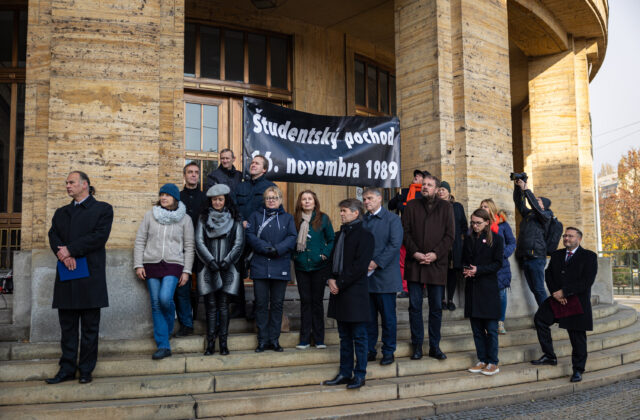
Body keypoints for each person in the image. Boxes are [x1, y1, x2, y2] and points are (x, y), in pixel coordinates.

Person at [46, 171, 113, 385]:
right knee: (67, 328)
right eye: (66, 183)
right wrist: (63, 255)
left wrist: (71, 250)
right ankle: (66, 369)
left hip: (90, 278)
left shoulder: (102, 209)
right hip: (67, 275)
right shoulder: (61, 212)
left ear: (85, 184)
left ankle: (85, 370)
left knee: (90, 329)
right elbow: (53, 235)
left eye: (71, 182)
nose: (67, 186)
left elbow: (99, 237)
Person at [134, 183, 195, 360]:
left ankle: (168, 324)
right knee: (155, 303)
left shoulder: (185, 219)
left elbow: (189, 247)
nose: (163, 198)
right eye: (161, 195)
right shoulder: (150, 216)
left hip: (174, 264)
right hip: (151, 263)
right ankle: (163, 344)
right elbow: (140, 241)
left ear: (175, 198)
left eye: (167, 195)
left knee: (164, 299)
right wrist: (139, 264)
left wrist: (187, 271)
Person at [531, 227, 598, 383]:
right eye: (565, 235)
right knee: (540, 319)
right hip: (557, 299)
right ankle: (549, 355)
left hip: (576, 301)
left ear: (579, 239)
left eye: (570, 236)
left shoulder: (589, 256)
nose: (566, 238)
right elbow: (548, 275)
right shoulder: (557, 254)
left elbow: (587, 281)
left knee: (577, 338)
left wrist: (565, 292)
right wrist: (556, 292)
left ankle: (578, 369)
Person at [323, 199, 375, 390]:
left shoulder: (365, 236)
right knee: (344, 337)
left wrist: (340, 283)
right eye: (341, 211)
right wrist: (330, 279)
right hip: (339, 292)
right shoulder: (339, 235)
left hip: (354, 293)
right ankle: (345, 373)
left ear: (355, 213)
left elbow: (359, 267)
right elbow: (330, 260)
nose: (341, 214)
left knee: (359, 337)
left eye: (344, 211)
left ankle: (360, 374)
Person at [402, 174, 455, 361]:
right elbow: (405, 233)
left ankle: (434, 346)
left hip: (437, 265)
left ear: (436, 188)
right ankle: (417, 346)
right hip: (415, 264)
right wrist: (415, 253)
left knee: (436, 308)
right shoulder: (411, 206)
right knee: (415, 306)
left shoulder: (446, 208)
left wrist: (435, 254)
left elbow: (450, 236)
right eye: (423, 184)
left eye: (429, 185)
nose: (425, 187)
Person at [195, 184, 244, 356]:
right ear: (210, 201)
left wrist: (227, 260)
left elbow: (239, 243)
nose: (217, 202)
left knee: (223, 306)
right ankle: (210, 344)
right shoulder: (202, 219)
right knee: (210, 305)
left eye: (220, 199)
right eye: (214, 199)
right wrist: (209, 260)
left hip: (228, 268)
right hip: (208, 268)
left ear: (226, 200)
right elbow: (199, 242)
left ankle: (223, 343)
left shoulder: (235, 219)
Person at [246, 186, 297, 352]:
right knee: (261, 304)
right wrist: (265, 247)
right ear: (264, 200)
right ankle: (262, 340)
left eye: (274, 198)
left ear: (280, 200)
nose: (271, 200)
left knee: (277, 305)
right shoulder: (255, 216)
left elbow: (292, 237)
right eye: (268, 198)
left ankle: (274, 340)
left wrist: (278, 249)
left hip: (280, 265)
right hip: (260, 265)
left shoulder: (288, 218)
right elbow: (250, 235)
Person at [362, 188, 403, 365]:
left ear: (379, 199)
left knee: (388, 319)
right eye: (364, 199)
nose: (366, 202)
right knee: (368, 319)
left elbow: (395, 244)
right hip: (366, 278)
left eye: (369, 198)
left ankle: (388, 351)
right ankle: (370, 350)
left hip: (385, 277)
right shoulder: (362, 220)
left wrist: (375, 263)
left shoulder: (392, 219)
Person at [233, 154, 276, 319]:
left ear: (264, 169)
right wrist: (241, 221)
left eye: (257, 163)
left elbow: (274, 211)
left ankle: (258, 309)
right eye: (252, 163)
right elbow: (233, 207)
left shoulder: (270, 187)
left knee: (259, 273)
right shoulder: (240, 187)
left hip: (260, 237)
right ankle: (239, 308)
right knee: (236, 271)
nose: (253, 165)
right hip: (241, 236)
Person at [463, 208, 504, 376]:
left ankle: (493, 361)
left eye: (478, 223)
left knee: (491, 329)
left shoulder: (497, 240)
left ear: (487, 222)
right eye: (472, 222)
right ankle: (482, 359)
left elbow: (497, 263)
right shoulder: (469, 238)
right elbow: (464, 259)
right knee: (477, 329)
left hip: (488, 288)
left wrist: (478, 270)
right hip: (472, 287)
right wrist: (466, 270)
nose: (474, 226)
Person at [293, 190, 335, 350]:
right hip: (301, 266)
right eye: (304, 199)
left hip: (319, 266)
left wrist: (324, 254)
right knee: (305, 301)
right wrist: (294, 256)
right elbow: (290, 238)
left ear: (315, 201)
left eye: (310, 199)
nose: (307, 201)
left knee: (317, 302)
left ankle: (319, 339)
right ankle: (304, 339)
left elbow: (331, 239)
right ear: (300, 202)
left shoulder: (323, 218)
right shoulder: (295, 218)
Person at [175, 162, 207, 336]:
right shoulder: (177, 198)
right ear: (184, 176)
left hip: (202, 250)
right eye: (190, 172)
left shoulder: (205, 198)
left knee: (203, 287)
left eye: (196, 172)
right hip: (180, 250)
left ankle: (203, 321)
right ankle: (186, 324)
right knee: (183, 287)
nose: (194, 175)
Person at [513, 178, 553, 305]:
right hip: (526, 257)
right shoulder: (530, 215)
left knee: (539, 289)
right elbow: (519, 204)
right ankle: (544, 314)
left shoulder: (546, 215)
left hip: (536, 257)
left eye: (539, 201)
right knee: (534, 289)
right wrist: (518, 188)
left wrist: (526, 189)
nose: (536, 202)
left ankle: (547, 316)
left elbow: (536, 207)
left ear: (544, 206)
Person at [480, 199, 516, 334]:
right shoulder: (479, 224)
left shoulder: (502, 224)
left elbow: (512, 242)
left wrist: (503, 254)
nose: (483, 208)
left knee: (501, 293)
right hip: (484, 264)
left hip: (501, 265)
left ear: (492, 209)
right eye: (481, 206)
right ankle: (488, 322)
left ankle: (500, 322)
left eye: (486, 207)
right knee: (486, 294)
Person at [392, 170, 428, 298]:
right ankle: (405, 288)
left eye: (419, 176)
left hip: (419, 233)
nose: (415, 177)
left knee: (420, 260)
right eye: (415, 175)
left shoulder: (424, 194)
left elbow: (418, 211)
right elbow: (391, 205)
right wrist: (397, 198)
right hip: (403, 231)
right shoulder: (405, 192)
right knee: (403, 261)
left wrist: (403, 206)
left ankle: (422, 287)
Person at [437, 181, 467, 311]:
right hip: (439, 246)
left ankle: (450, 299)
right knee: (440, 274)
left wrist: (463, 243)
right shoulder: (435, 206)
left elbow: (464, 226)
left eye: (443, 189)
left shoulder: (457, 207)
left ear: (449, 192)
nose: (441, 191)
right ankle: (442, 299)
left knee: (452, 273)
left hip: (455, 247)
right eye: (439, 189)